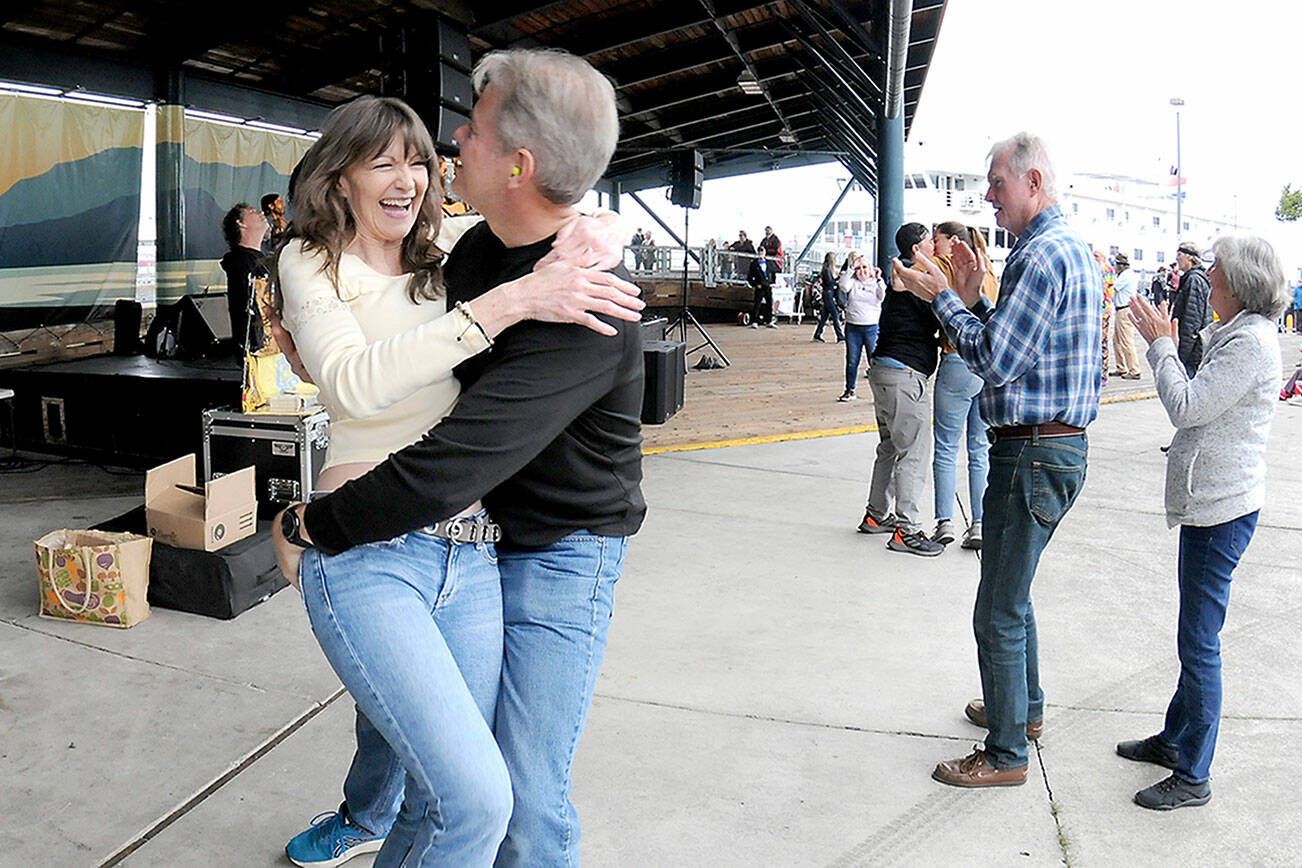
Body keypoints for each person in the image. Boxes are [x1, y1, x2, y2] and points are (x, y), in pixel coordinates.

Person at [274, 49, 646, 867]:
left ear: (518, 164)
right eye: (390, 160)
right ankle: (365, 812)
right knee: (460, 780)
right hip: (463, 538)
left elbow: (449, 465)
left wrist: (309, 524)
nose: (448, 149)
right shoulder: (475, 260)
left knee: (520, 799)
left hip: (555, 554)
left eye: (465, 133)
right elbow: (371, 372)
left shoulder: (587, 305)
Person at [892, 132, 1101, 787]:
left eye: (996, 183)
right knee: (1013, 595)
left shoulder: (1041, 255)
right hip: (1052, 448)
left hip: (1033, 453)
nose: (987, 196)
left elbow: (996, 361)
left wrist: (943, 300)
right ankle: (1022, 709)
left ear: (1033, 182)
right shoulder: (1064, 249)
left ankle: (1007, 750)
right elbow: (1019, 340)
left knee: (997, 609)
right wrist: (973, 298)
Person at [1121, 236, 1287, 809]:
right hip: (1215, 503)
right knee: (1195, 634)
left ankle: (1194, 775)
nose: (1204, 277)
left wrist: (1163, 348)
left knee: (1199, 642)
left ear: (1238, 284)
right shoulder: (1239, 333)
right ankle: (1175, 740)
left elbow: (1188, 406)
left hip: (1222, 509)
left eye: (1214, 270)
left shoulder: (1251, 343)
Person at [855, 222, 943, 557]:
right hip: (905, 377)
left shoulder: (902, 277)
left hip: (884, 372)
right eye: (930, 242)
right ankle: (908, 530)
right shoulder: (912, 280)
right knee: (914, 451)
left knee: (889, 446)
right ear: (918, 248)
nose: (936, 246)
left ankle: (876, 516)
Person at [929, 221, 998, 549]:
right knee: (979, 449)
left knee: (945, 446)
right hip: (984, 368)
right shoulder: (992, 274)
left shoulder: (951, 268)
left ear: (954, 242)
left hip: (957, 358)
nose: (933, 244)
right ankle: (980, 523)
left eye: (937, 239)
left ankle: (945, 522)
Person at [219, 202, 269, 353]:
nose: (261, 213)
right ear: (241, 224)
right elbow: (249, 307)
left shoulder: (259, 260)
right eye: (252, 212)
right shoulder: (241, 263)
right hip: (259, 349)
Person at [837, 254, 885, 401]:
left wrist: (878, 279)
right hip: (853, 327)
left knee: (874, 361)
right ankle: (850, 390)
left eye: (864, 267)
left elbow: (882, 295)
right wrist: (851, 268)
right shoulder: (852, 282)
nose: (862, 271)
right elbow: (843, 286)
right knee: (852, 360)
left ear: (871, 269)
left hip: (871, 327)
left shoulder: (876, 283)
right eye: (859, 268)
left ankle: (881, 394)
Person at [1171, 242, 1213, 376]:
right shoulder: (1195, 278)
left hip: (1192, 349)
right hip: (1196, 345)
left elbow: (1192, 321)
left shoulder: (1194, 280)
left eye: (1179, 254)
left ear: (1190, 257)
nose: (1177, 258)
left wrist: (1181, 355)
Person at [1111, 252, 1142, 379]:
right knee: (1116, 340)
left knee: (1126, 341)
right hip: (1120, 309)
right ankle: (1121, 367)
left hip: (1125, 310)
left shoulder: (1125, 276)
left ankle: (1134, 370)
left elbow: (1113, 287)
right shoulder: (1124, 274)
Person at [812, 251, 844, 343]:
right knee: (835, 314)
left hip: (826, 294)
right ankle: (839, 336)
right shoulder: (827, 271)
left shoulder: (825, 270)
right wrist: (838, 278)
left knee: (824, 316)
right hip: (828, 294)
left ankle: (817, 334)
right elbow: (830, 283)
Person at [748, 248, 777, 328]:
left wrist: (773, 283)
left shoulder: (769, 263)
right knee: (757, 304)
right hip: (760, 286)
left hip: (768, 287)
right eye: (759, 251)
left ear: (765, 252)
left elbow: (773, 273)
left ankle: (769, 321)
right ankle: (754, 321)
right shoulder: (754, 264)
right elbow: (750, 277)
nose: (761, 253)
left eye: (762, 251)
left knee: (769, 303)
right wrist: (755, 284)